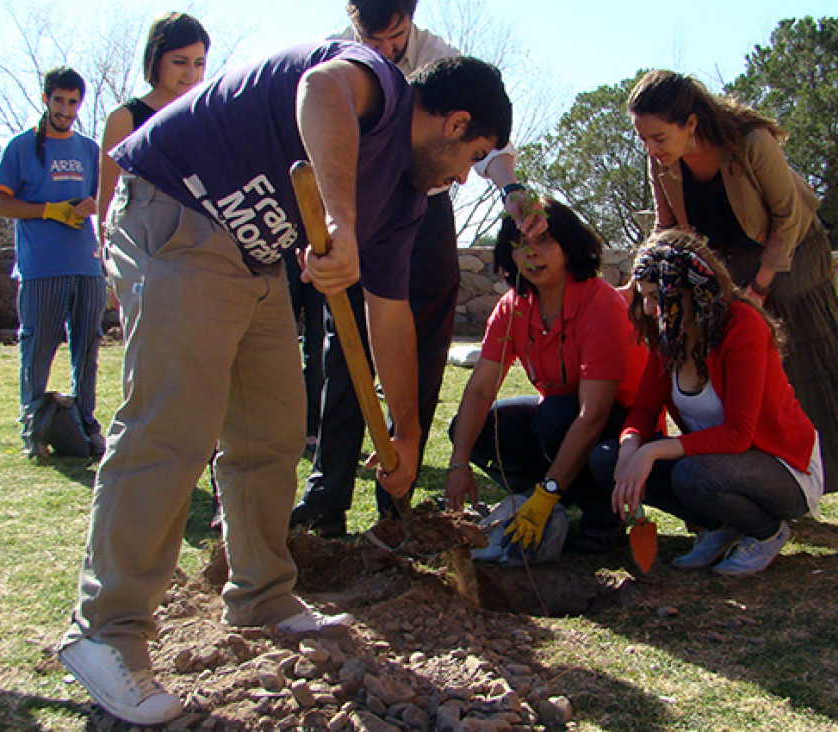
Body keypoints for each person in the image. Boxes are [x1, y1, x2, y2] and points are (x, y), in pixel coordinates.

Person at [56, 41, 511, 726]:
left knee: (270, 430)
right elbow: (319, 90)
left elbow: (389, 316)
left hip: (253, 257)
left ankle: (260, 592)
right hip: (178, 207)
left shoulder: (406, 202)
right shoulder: (378, 85)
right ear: (454, 123)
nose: (469, 176)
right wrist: (340, 223)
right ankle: (106, 632)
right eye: (475, 155)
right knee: (172, 424)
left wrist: (407, 431)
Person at [291, 0, 542, 536]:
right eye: (370, 37)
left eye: (394, 37)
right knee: (348, 339)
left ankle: (396, 489)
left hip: (423, 205)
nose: (382, 50)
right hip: (357, 204)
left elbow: (487, 143)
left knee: (422, 341)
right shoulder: (341, 53)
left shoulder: (441, 59)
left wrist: (512, 191)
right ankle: (326, 492)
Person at [628, 69, 838, 494]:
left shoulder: (751, 143)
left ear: (690, 123)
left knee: (798, 360)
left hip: (792, 253)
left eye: (658, 138)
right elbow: (667, 225)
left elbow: (788, 216)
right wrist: (644, 275)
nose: (651, 150)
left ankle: (814, 477)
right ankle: (746, 476)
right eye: (642, 139)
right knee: (741, 369)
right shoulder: (663, 162)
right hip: (729, 264)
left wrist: (760, 288)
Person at [589, 230, 823, 575]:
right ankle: (720, 526)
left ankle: (766, 532)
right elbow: (643, 410)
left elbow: (738, 435)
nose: (651, 310)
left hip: (781, 466)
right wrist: (629, 448)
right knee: (605, 460)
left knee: (690, 474)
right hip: (713, 462)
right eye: (644, 298)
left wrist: (650, 452)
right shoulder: (667, 334)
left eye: (658, 296)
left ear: (693, 292)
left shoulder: (743, 327)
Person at [445, 200, 646, 554]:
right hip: (561, 418)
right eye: (520, 244)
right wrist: (458, 463)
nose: (532, 253)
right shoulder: (512, 306)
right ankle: (557, 497)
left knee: (555, 417)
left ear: (570, 247)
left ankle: (601, 516)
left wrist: (546, 494)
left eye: (545, 241)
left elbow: (593, 415)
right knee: (473, 429)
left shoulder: (601, 305)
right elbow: (479, 391)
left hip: (623, 433)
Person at [0, 67, 107, 459]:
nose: (65, 109)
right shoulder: (21, 147)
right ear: (45, 99)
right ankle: (33, 428)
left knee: (87, 348)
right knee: (38, 347)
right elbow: (0, 203)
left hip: (87, 265)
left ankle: (85, 425)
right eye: (59, 100)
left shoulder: (90, 149)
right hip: (42, 267)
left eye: (73, 102)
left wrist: (94, 204)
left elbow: (107, 198)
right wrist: (48, 210)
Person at [97, 12, 210, 267]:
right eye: (180, 62)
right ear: (156, 59)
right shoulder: (124, 118)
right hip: (142, 255)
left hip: (202, 256)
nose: (191, 73)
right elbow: (108, 201)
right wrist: (108, 264)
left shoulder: (207, 116)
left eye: (199, 63)